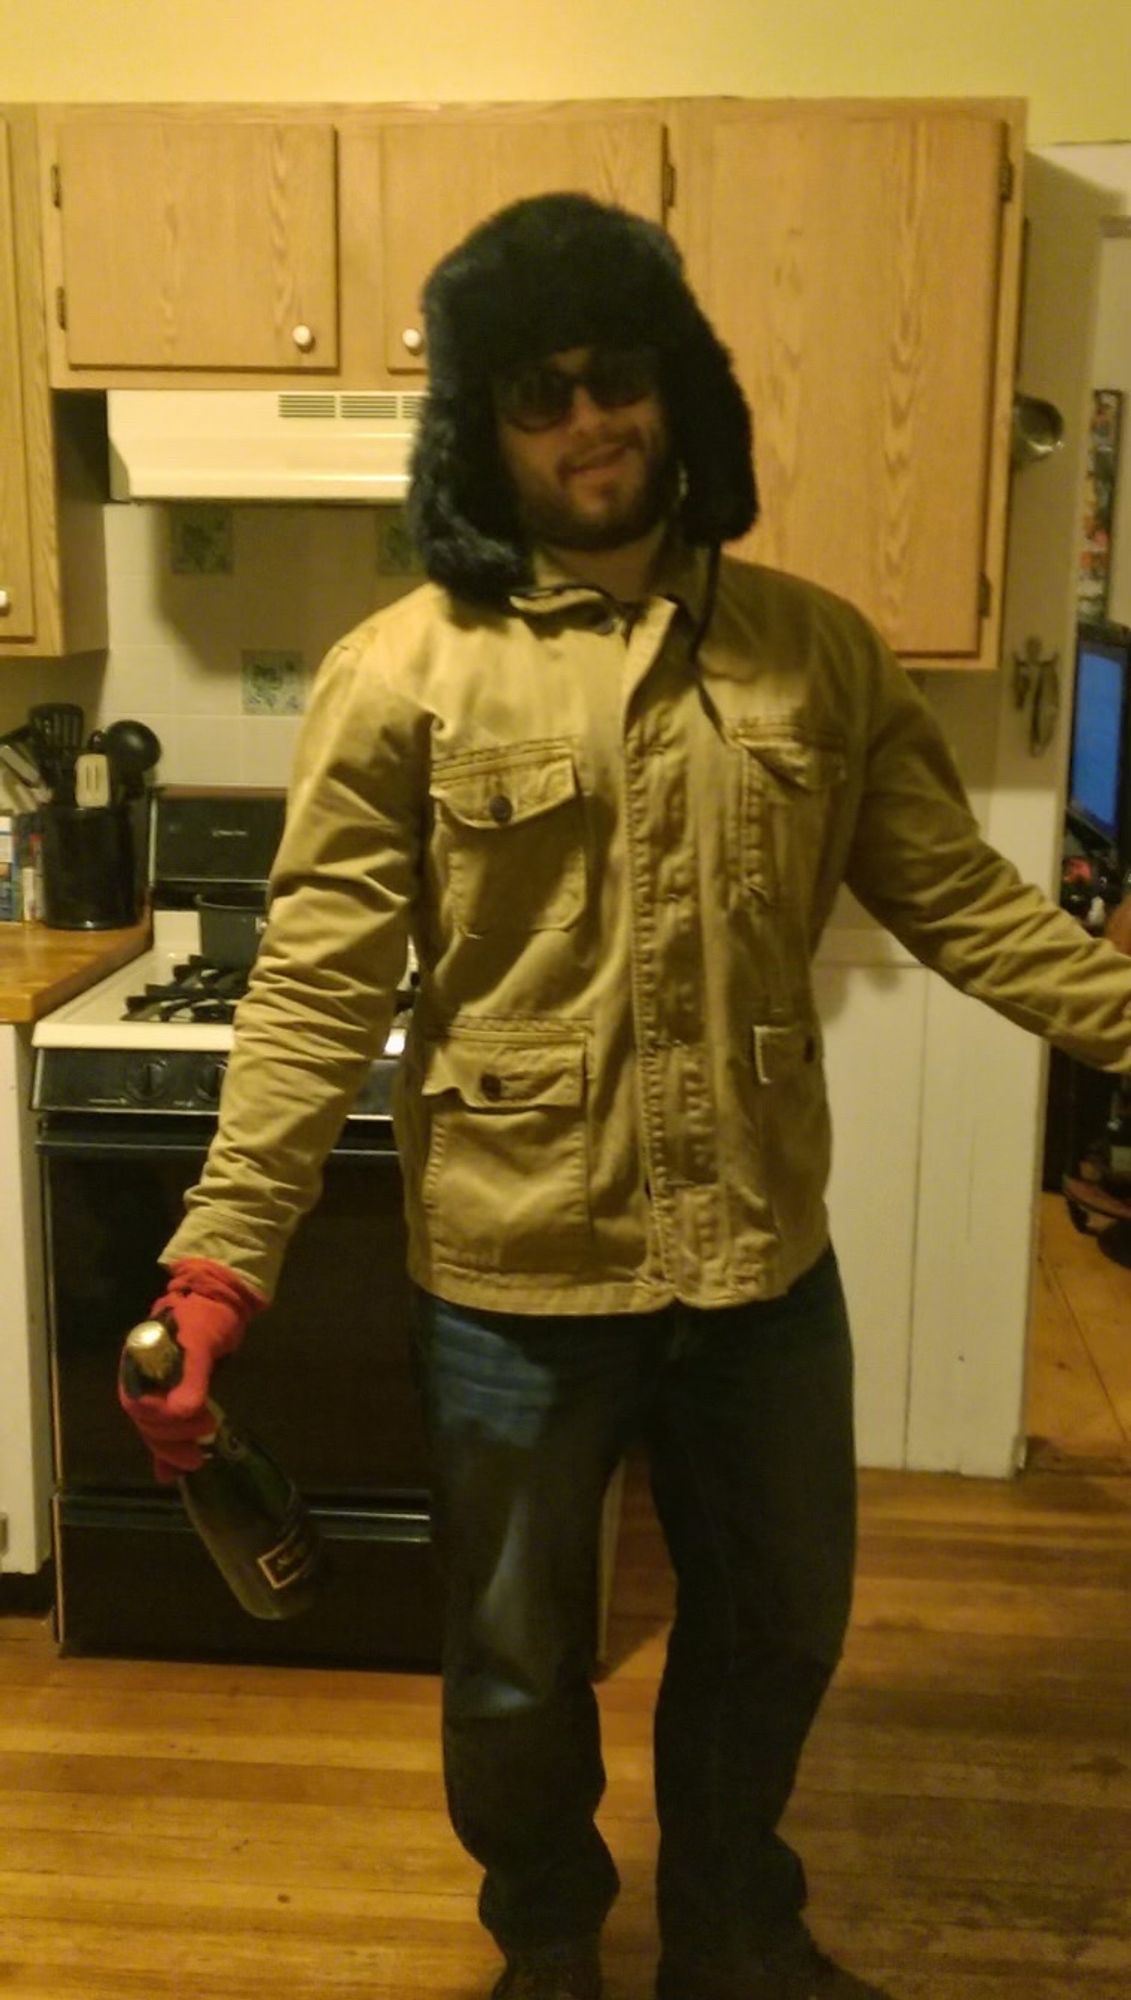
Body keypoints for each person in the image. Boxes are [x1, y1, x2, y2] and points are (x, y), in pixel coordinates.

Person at [119, 193, 1131, 2000]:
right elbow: (316, 991)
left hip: (759, 1261)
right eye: (536, 394)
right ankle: (551, 1945)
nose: (587, 422)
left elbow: (969, 906)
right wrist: (218, 1266)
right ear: (486, 435)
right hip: (516, 1271)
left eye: (616, 379)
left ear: (679, 400)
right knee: (514, 1658)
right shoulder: (396, 677)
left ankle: (734, 1924)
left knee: (783, 1625)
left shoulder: (816, 654)